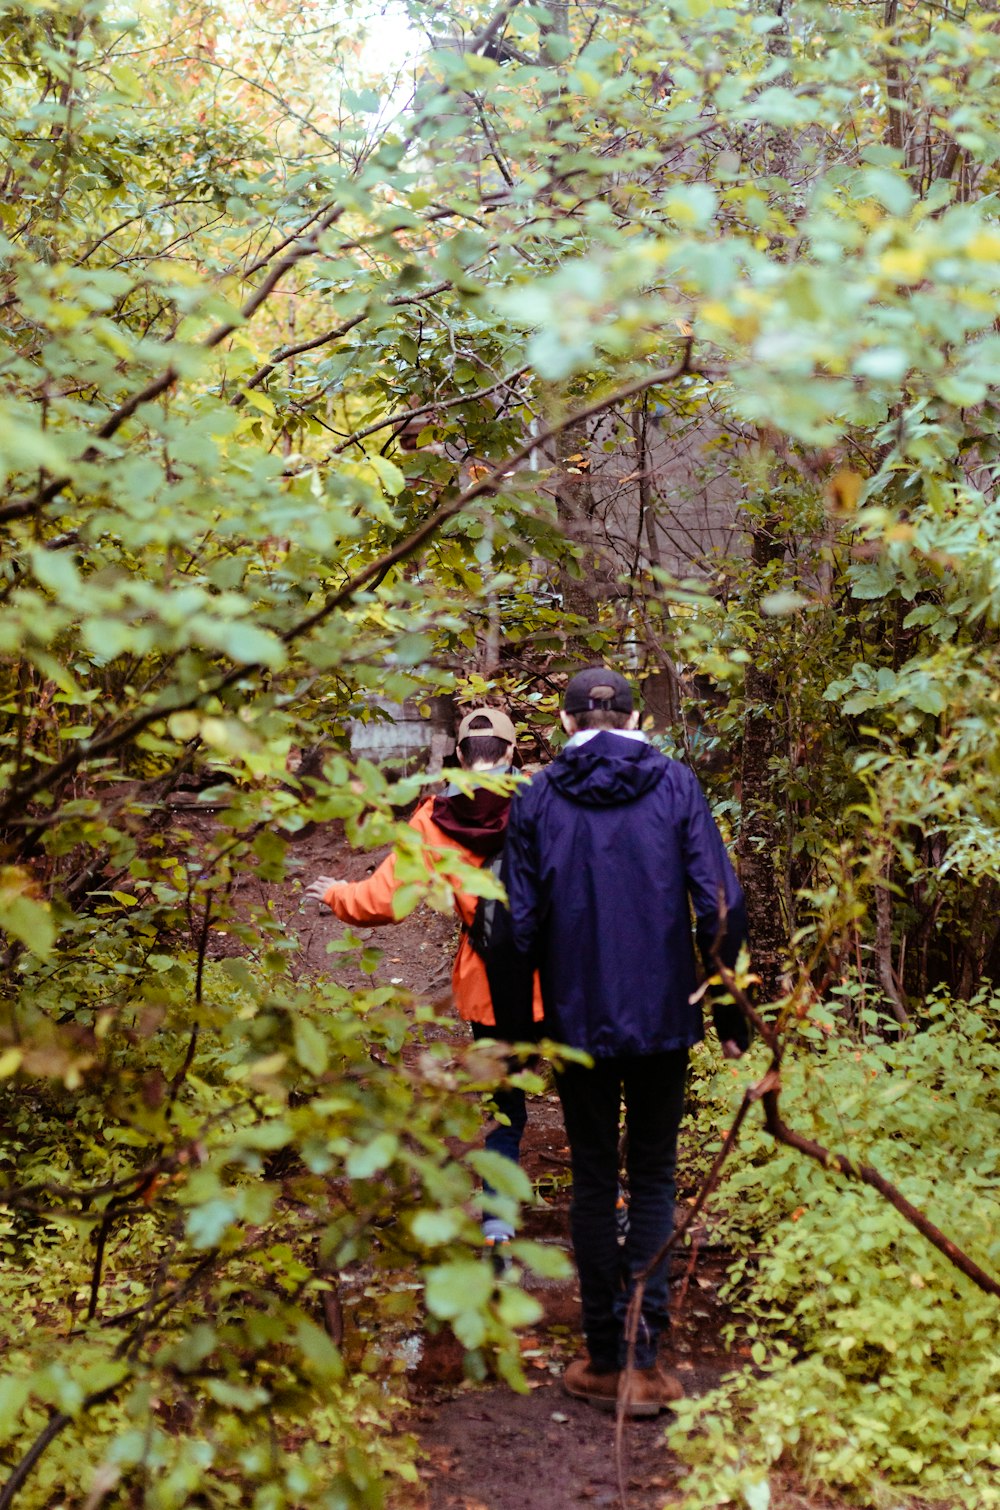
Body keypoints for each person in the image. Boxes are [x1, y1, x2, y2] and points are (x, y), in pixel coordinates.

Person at [492, 667, 748, 1416]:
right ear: (637, 717)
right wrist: (729, 1016)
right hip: (666, 1017)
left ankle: (607, 1359)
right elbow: (723, 906)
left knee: (598, 1181)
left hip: (577, 1023)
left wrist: (515, 1041)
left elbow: (513, 927)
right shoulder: (676, 785)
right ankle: (645, 1360)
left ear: (565, 722)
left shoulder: (537, 797)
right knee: (657, 1176)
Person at [305, 708, 543, 1256]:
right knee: (584, 1094)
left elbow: (383, 901)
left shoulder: (433, 818)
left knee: (506, 1100)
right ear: (511, 755)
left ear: (459, 757)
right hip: (559, 980)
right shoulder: (544, 802)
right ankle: (615, 1203)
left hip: (488, 987)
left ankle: (498, 1221)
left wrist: (339, 893)